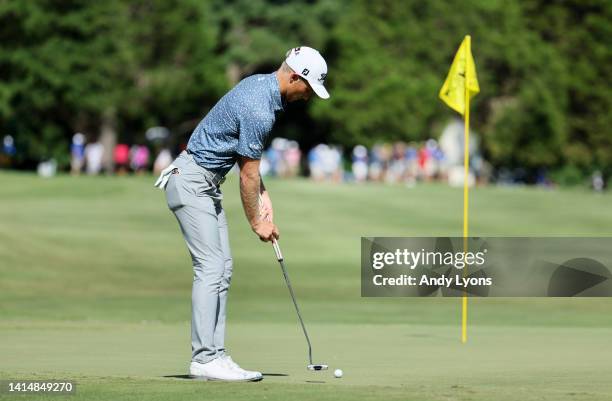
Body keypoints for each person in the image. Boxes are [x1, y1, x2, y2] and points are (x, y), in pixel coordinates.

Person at [154, 46, 330, 382]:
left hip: (205, 184)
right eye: (307, 88)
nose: (308, 97)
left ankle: (217, 356)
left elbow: (246, 165)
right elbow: (247, 174)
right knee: (210, 267)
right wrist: (256, 222)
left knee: (223, 268)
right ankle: (204, 358)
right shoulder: (259, 107)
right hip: (192, 182)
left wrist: (264, 198)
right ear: (294, 76)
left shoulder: (261, 88)